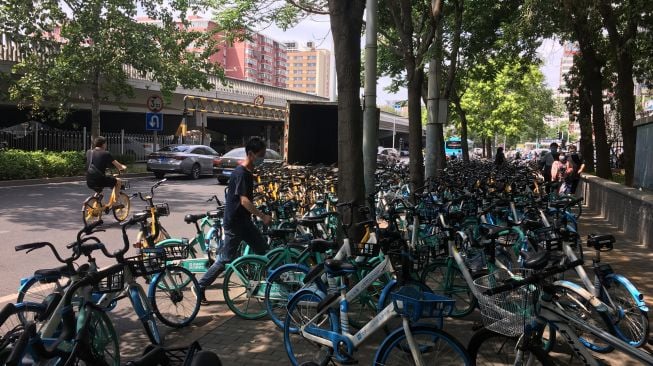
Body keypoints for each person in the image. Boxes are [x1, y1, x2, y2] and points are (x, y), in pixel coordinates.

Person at [196, 138, 272, 304]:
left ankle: (273, 287)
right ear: (250, 154)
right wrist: (263, 216)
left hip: (244, 222)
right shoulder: (241, 173)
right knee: (225, 259)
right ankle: (199, 286)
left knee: (263, 250)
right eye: (261, 155)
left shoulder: (248, 172)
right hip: (234, 224)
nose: (262, 158)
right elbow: (244, 201)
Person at [86, 136, 127, 205]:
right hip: (100, 180)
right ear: (103, 144)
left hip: (89, 180)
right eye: (106, 144)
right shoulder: (106, 153)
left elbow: (96, 163)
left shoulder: (89, 152)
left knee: (99, 191)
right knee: (119, 181)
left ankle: (96, 208)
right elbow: (118, 166)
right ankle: (115, 203)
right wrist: (123, 167)